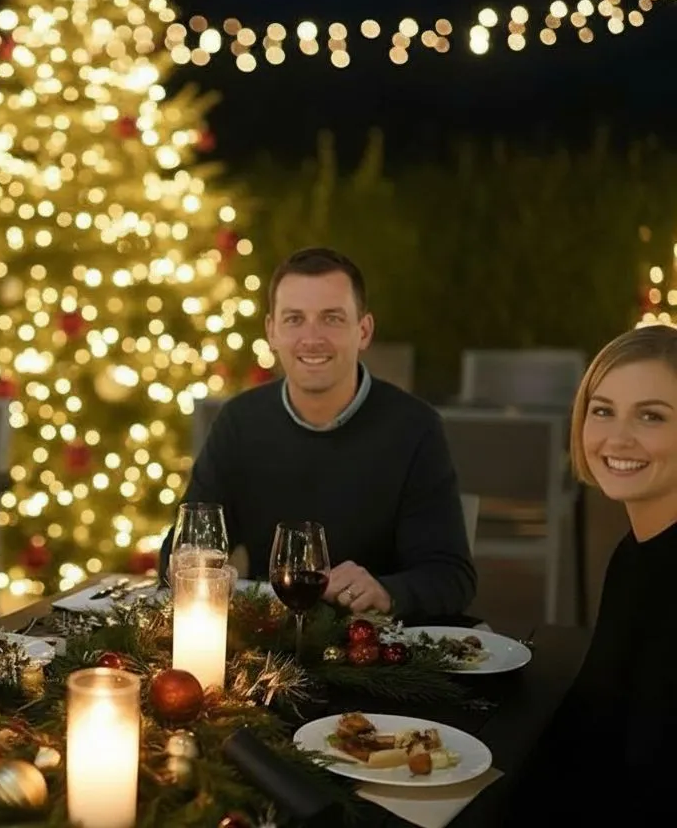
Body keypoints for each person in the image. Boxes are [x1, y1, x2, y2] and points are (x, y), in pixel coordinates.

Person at [161, 247, 476, 619]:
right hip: (271, 643)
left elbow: (451, 577)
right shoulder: (239, 422)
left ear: (363, 331)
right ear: (272, 332)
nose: (312, 338)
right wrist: (195, 568)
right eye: (294, 319)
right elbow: (181, 549)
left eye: (332, 318)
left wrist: (387, 591)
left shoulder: (415, 428)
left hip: (380, 642)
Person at [506, 325, 677, 819]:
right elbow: (594, 731)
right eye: (602, 411)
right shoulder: (635, 553)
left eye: (651, 416)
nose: (617, 438)